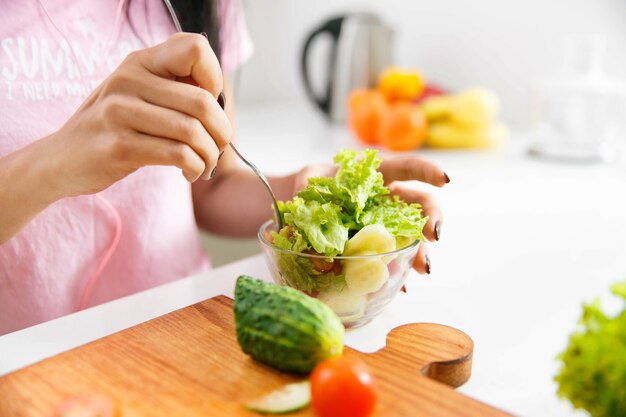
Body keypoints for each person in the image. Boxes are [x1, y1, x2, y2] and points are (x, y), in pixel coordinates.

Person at [0, 0, 447, 335]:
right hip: (22, 359)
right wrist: (54, 164)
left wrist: (299, 191)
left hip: (181, 332)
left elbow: (213, 183)